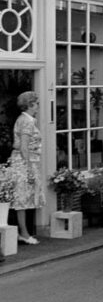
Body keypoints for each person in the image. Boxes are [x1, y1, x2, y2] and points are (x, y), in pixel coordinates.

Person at [9, 91, 46, 245]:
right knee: (22, 199)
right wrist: (30, 169)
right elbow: (24, 147)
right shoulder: (27, 121)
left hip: (23, 162)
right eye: (36, 103)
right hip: (23, 163)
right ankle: (24, 233)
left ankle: (24, 232)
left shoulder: (26, 119)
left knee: (23, 198)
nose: (38, 106)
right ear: (30, 104)